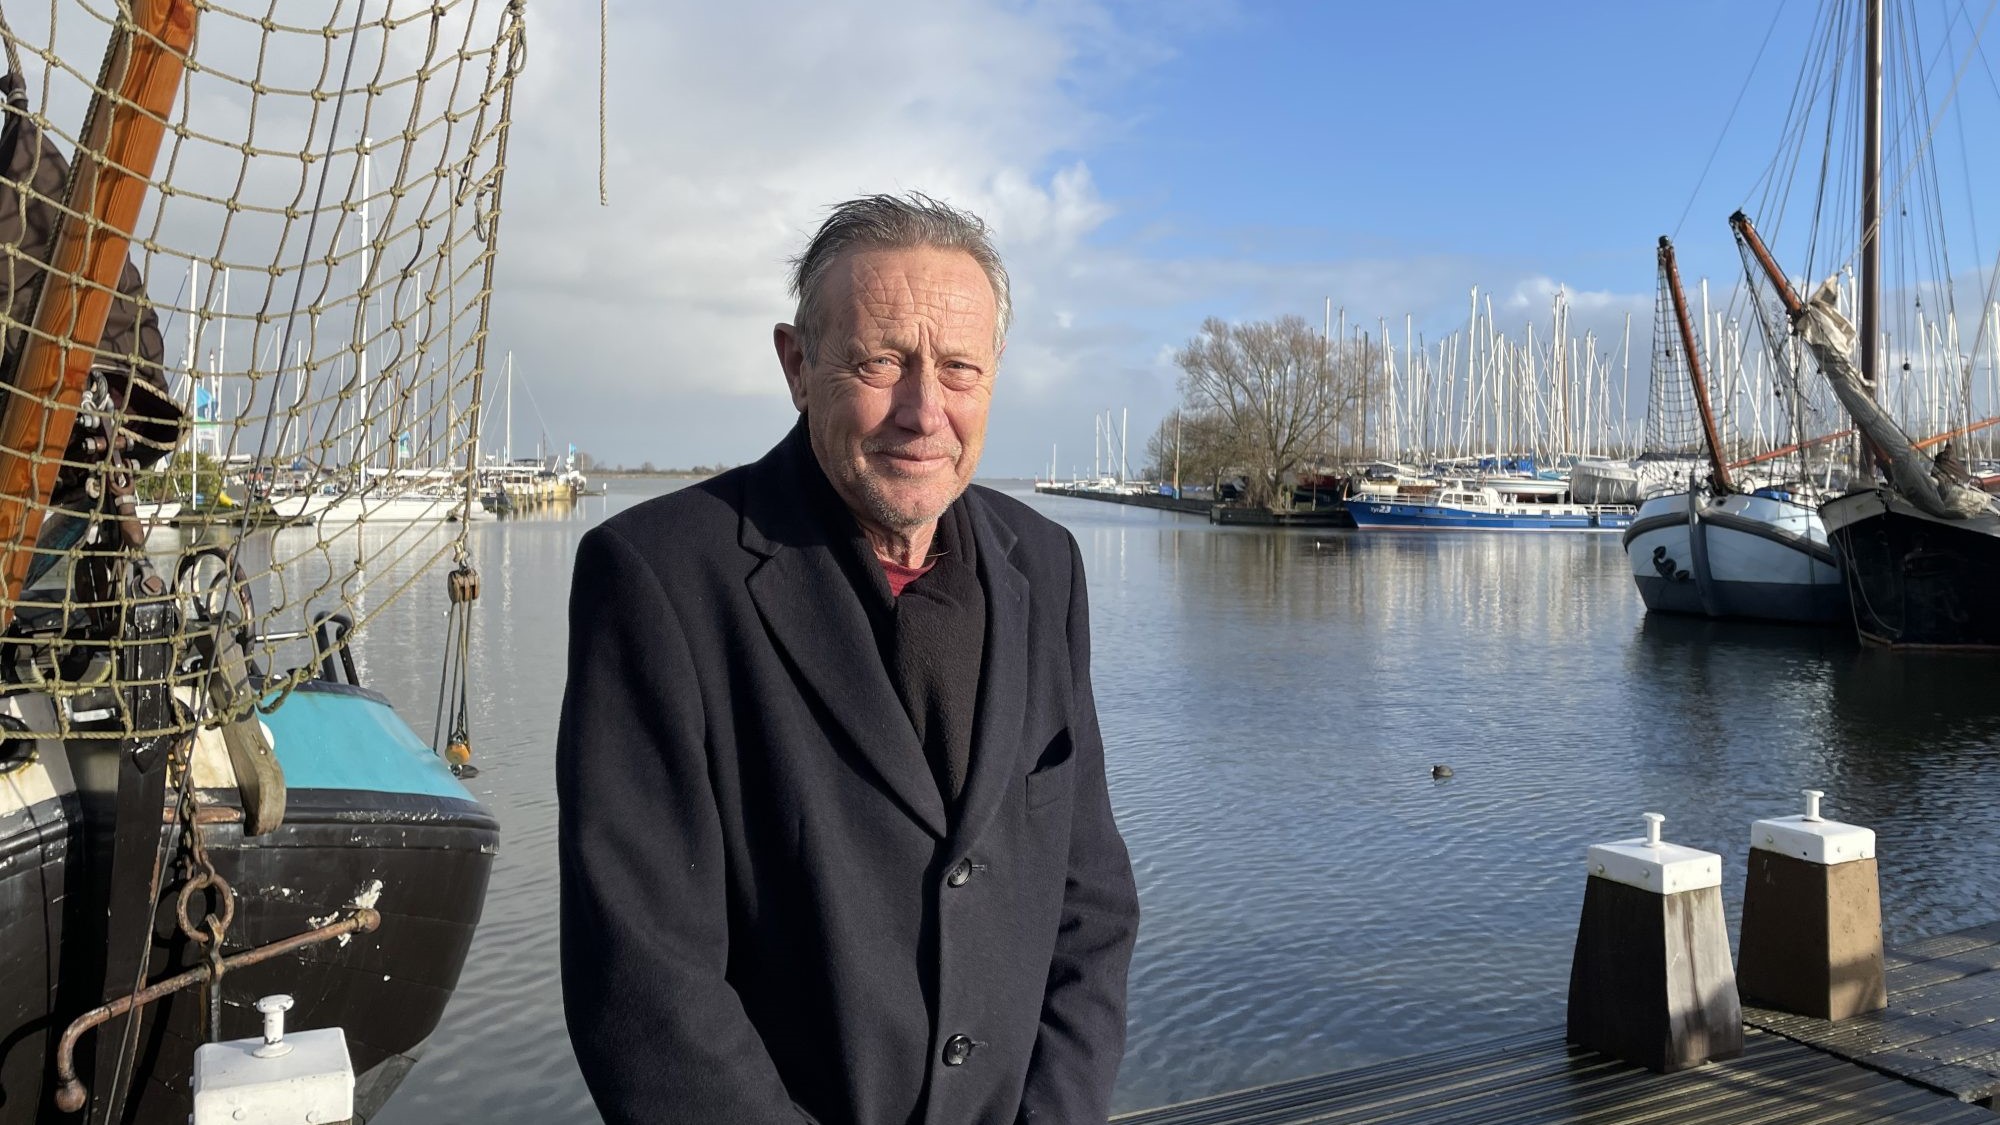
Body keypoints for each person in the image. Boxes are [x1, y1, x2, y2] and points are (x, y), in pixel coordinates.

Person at [558, 192, 1141, 1125]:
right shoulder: (659, 578)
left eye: (959, 369)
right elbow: (644, 983)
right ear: (798, 365)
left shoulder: (1049, 566)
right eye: (882, 362)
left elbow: (1092, 900)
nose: (924, 411)